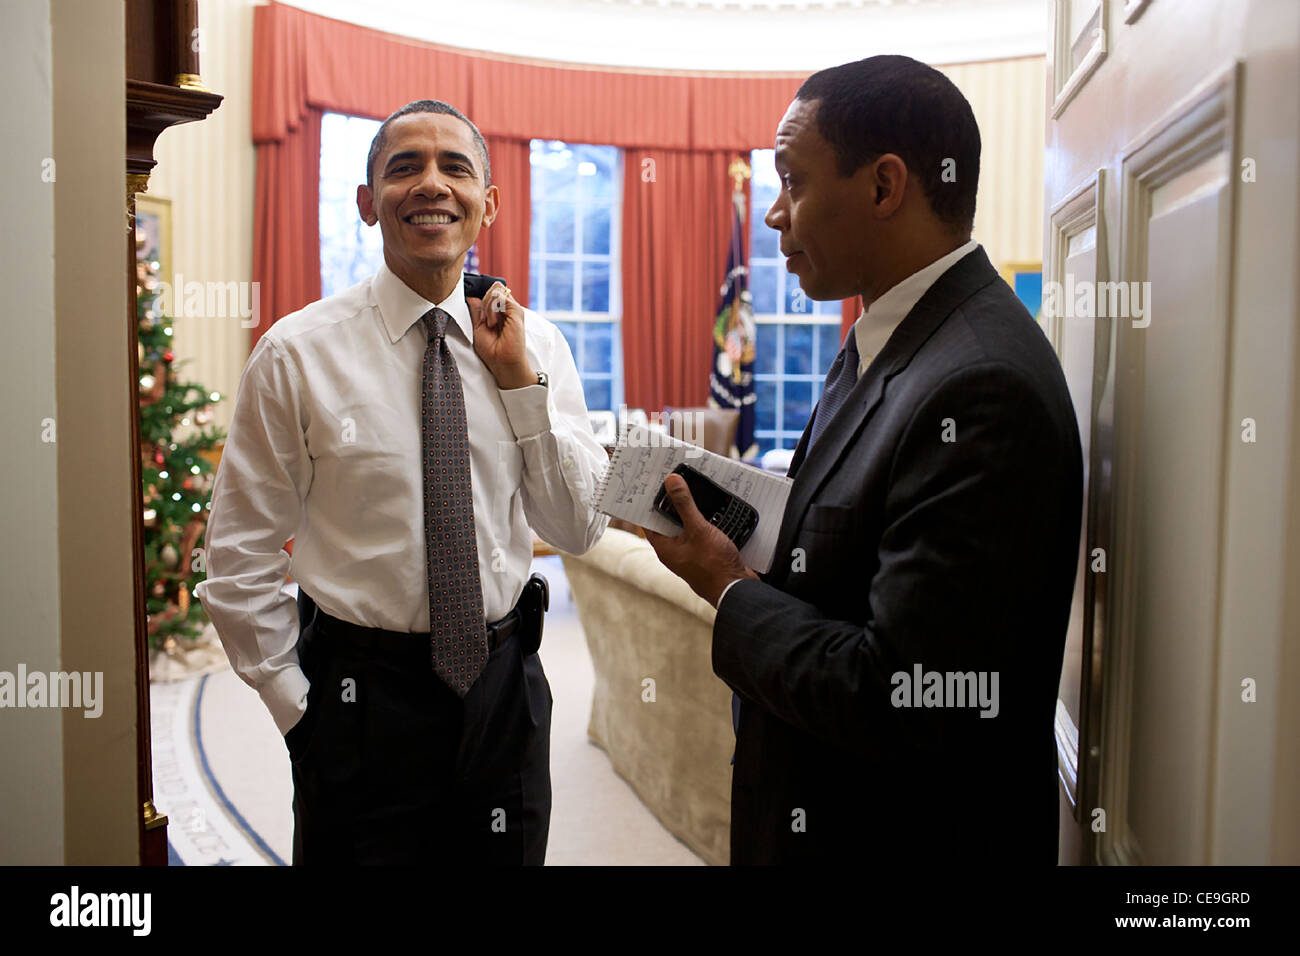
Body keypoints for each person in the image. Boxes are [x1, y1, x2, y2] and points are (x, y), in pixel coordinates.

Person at [646, 55, 1083, 865]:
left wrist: (725, 584)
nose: (774, 214)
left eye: (792, 180)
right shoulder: (889, 339)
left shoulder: (980, 384)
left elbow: (906, 695)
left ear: (884, 187)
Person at [196, 99, 609, 865]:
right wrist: (299, 714)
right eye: (403, 167)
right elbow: (238, 557)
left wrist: (521, 384)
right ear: (366, 202)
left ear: (487, 205)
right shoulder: (297, 356)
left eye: (456, 167)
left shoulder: (538, 344)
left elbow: (578, 526)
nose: (431, 184)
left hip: (505, 696)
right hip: (358, 702)